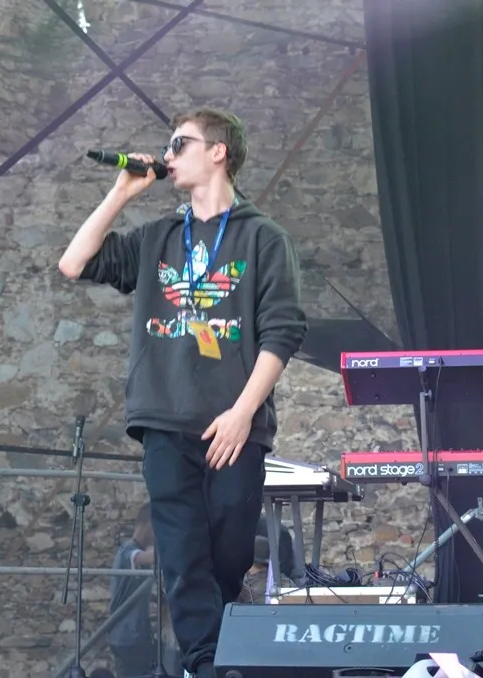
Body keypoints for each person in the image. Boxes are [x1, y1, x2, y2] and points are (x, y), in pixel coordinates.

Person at [59, 108, 308, 678]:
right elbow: (75, 263)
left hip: (234, 422)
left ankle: (216, 653)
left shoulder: (263, 237)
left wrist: (243, 412)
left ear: (218, 151)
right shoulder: (159, 237)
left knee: (230, 549)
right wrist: (122, 191)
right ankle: (206, 664)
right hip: (165, 416)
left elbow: (283, 330)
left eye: (179, 144)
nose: (167, 155)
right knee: (181, 550)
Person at [107, 503, 156, 678]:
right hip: (126, 636)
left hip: (137, 634)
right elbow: (144, 558)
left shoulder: (139, 550)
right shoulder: (126, 551)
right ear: (149, 524)